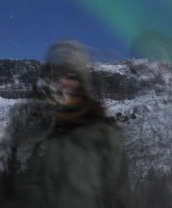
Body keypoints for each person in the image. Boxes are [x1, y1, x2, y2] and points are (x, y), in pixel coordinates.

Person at [8, 40, 133, 208]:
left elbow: (118, 198)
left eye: (71, 76)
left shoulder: (103, 135)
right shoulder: (30, 126)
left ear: (83, 83)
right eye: (56, 74)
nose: (63, 82)